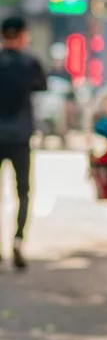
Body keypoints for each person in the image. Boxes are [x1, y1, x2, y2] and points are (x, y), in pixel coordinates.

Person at [0, 14, 47, 268]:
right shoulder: (30, 62)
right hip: (20, 137)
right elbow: (42, 86)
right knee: (23, 192)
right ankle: (18, 240)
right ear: (22, 35)